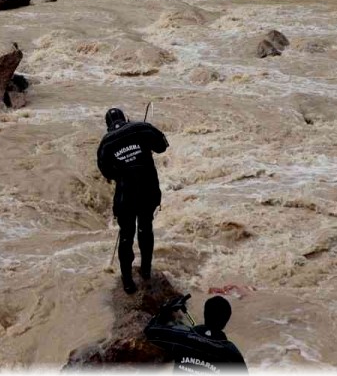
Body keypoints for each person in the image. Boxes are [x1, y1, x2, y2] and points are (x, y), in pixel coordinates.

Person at [96, 107, 168, 293]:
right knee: (145, 228)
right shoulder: (142, 127)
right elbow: (162, 146)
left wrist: (123, 168)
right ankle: (145, 271)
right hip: (148, 191)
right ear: (126, 118)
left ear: (108, 125)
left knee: (126, 236)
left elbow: (107, 173)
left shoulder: (105, 143)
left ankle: (127, 281)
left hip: (125, 196)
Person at [145, 294, 248, 373]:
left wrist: (166, 311)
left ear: (205, 314)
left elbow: (150, 330)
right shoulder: (232, 353)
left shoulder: (181, 336)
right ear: (225, 322)